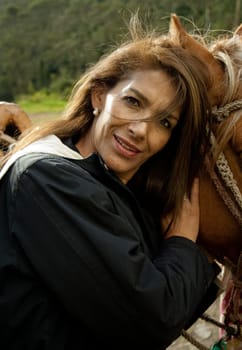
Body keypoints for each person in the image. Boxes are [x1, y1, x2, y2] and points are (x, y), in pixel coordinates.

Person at [0, 16, 219, 350]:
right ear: (99, 96)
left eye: (165, 122)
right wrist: (182, 244)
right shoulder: (46, 178)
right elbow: (151, 320)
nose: (141, 129)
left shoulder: (112, 187)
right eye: (133, 102)